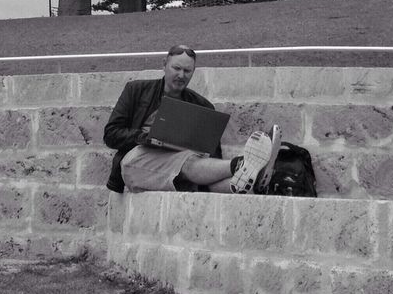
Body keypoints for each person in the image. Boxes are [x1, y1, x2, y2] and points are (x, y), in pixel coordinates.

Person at [103, 44, 277, 194]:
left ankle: (258, 182)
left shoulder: (203, 106)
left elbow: (212, 154)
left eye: (187, 71)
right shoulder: (136, 90)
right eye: (176, 68)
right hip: (137, 162)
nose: (181, 75)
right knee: (187, 162)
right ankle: (241, 165)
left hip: (184, 166)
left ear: (193, 72)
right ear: (164, 65)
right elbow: (111, 134)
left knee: (209, 176)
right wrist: (145, 138)